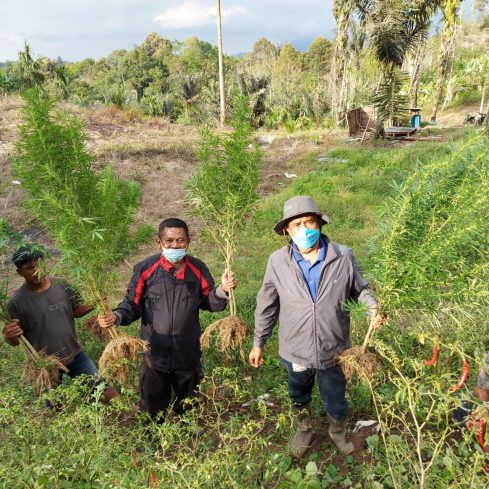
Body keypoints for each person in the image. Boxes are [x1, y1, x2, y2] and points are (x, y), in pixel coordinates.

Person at [249, 196, 384, 458]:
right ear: (287, 230)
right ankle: (305, 429)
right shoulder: (278, 262)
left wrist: (372, 307)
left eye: (309, 222)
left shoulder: (342, 255)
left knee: (335, 398)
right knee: (298, 393)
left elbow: (360, 289)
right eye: (296, 224)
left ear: (319, 224)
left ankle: (338, 432)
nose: (304, 230)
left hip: (334, 349)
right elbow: (267, 304)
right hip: (295, 349)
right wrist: (258, 342)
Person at [97, 218, 236, 421]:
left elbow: (209, 302)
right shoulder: (145, 269)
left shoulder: (197, 269)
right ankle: (152, 443)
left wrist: (223, 290)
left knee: (189, 405)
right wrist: (116, 316)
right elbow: (132, 305)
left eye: (180, 241)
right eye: (169, 241)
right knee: (153, 408)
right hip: (154, 355)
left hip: (187, 354)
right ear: (159, 242)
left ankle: (188, 439)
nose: (175, 245)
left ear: (188, 241)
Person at [2, 244, 117, 402]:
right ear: (19, 272)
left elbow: (76, 311)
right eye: (29, 268)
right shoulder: (16, 303)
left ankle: (130, 415)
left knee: (104, 391)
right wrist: (9, 336)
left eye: (38, 265)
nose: (36, 271)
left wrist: (94, 302)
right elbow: (14, 340)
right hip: (46, 365)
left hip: (75, 354)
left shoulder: (61, 284)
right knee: (55, 405)